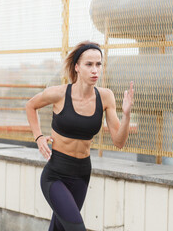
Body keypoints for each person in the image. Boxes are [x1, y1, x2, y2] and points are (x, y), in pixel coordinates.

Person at [25, 40, 134, 231]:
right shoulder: (59, 93)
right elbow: (30, 105)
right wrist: (39, 136)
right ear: (77, 67)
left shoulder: (105, 96)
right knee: (76, 228)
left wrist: (126, 116)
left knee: (60, 228)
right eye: (89, 64)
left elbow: (119, 142)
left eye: (99, 64)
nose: (95, 70)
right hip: (55, 174)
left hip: (81, 175)